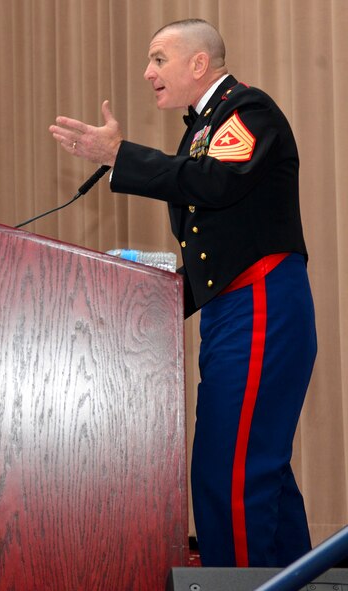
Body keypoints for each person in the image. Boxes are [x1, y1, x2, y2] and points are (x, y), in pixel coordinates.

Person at [49, 19, 315, 568]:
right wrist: (146, 293)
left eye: (158, 59)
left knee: (230, 471)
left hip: (260, 304)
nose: (148, 72)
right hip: (231, 311)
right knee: (256, 468)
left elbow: (214, 184)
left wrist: (121, 156)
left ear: (199, 63)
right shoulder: (202, 129)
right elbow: (210, 240)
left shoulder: (248, 111)